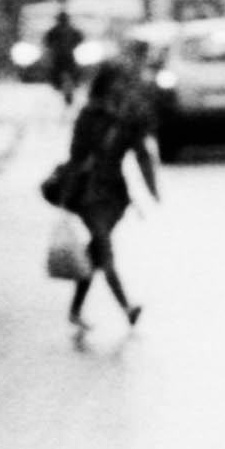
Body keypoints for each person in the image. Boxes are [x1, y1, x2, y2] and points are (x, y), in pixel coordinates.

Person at [52, 61, 160, 332]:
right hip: (90, 194)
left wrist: (152, 188)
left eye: (125, 81)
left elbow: (141, 154)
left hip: (115, 197)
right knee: (104, 248)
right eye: (118, 81)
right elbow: (76, 156)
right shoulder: (89, 115)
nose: (123, 87)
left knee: (95, 252)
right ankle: (127, 307)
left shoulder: (128, 118)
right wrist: (66, 198)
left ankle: (75, 310)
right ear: (107, 85)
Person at [37, 10, 84, 104]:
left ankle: (66, 88)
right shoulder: (70, 30)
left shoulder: (55, 31)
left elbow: (46, 41)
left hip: (61, 58)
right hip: (65, 58)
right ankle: (67, 88)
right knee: (67, 75)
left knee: (62, 75)